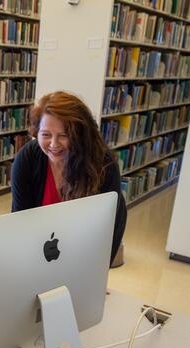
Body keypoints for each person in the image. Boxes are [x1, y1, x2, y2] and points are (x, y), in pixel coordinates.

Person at [11, 91, 126, 265]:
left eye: (64, 135)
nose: (54, 144)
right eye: (46, 134)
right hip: (38, 254)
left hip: (83, 253)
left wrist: (97, 275)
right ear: (36, 132)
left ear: (80, 135)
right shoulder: (27, 159)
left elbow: (109, 229)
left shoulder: (103, 165)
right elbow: (19, 223)